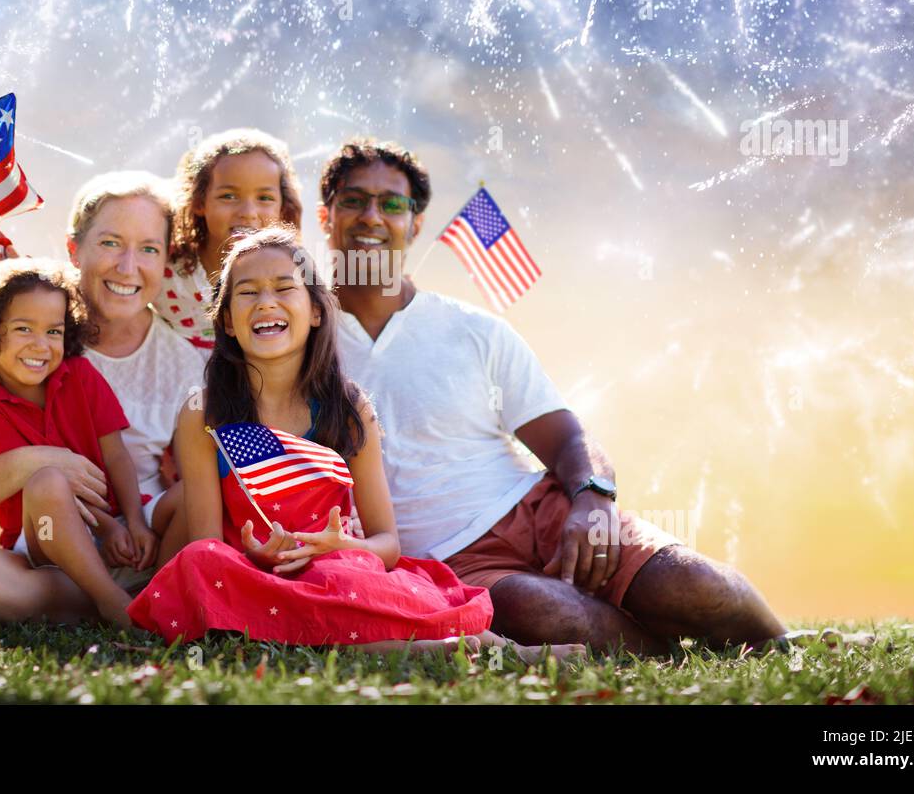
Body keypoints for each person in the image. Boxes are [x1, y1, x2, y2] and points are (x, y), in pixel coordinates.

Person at [317, 138, 788, 656]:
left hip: (539, 511)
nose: (372, 217)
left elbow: (566, 435)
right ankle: (671, 658)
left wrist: (592, 499)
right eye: (354, 200)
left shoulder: (473, 329)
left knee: (694, 586)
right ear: (326, 216)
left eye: (392, 204)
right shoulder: (303, 338)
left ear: (416, 223)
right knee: (539, 610)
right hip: (444, 561)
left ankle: (785, 644)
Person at [129, 226, 582, 661]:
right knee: (200, 563)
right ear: (227, 320)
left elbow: (387, 542)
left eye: (285, 288)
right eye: (247, 293)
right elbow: (208, 542)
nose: (266, 302)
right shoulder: (203, 413)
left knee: (344, 578)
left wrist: (340, 546)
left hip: (335, 570)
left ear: (317, 311)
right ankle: (421, 648)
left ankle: (490, 647)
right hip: (250, 577)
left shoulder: (348, 409)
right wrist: (254, 554)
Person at [0, 171, 205, 627]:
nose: (128, 266)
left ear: (166, 260)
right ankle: (117, 604)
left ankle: (128, 597)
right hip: (37, 552)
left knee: (202, 495)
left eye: (149, 249)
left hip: (135, 550)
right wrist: (33, 462)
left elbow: (191, 490)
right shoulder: (2, 345)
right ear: (74, 249)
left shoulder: (183, 362)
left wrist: (133, 524)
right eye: (111, 243)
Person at [0, 257, 155, 630]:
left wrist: (133, 521)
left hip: (112, 525)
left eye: (53, 332)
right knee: (47, 480)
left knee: (184, 498)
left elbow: (116, 455)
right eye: (22, 329)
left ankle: (166, 589)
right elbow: (43, 493)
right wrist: (107, 529)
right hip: (45, 538)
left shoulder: (79, 375)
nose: (40, 345)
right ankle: (113, 603)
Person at [156, 128, 302, 350]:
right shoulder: (165, 271)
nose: (248, 212)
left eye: (264, 198)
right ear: (199, 202)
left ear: (283, 207)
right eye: (229, 196)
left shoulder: (293, 276)